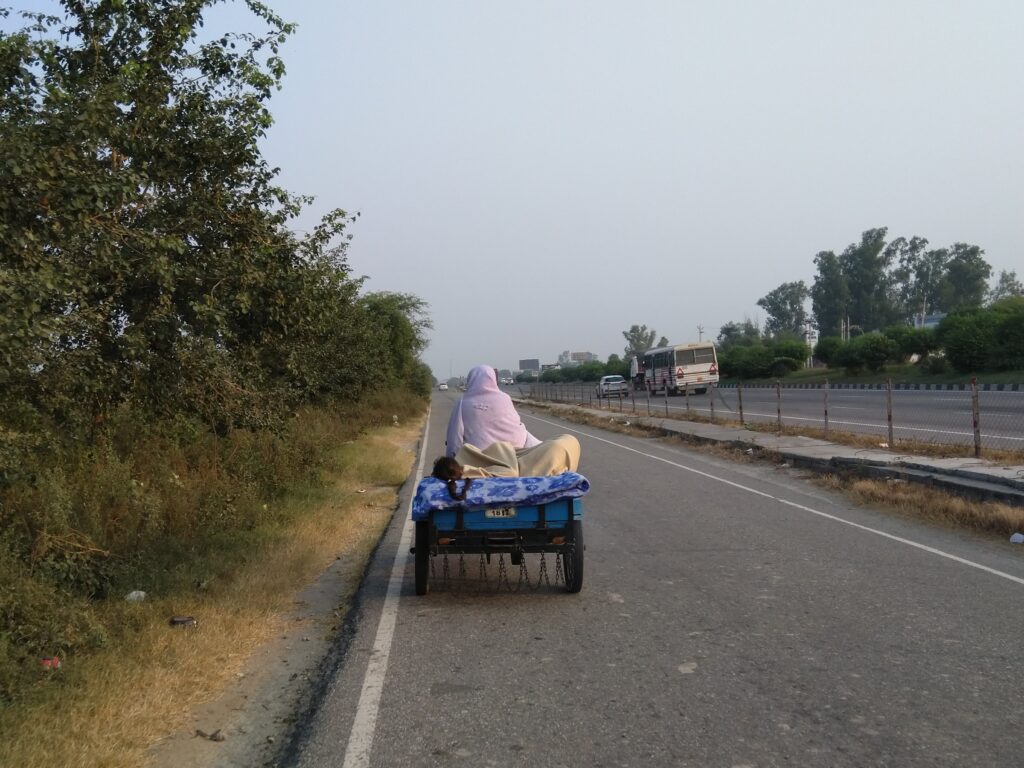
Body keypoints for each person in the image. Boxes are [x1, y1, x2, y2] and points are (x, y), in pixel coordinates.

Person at [446, 366, 541, 458]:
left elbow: (455, 436)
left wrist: (451, 458)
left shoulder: (462, 402)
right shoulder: (505, 398)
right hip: (515, 453)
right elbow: (517, 425)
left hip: (478, 457)